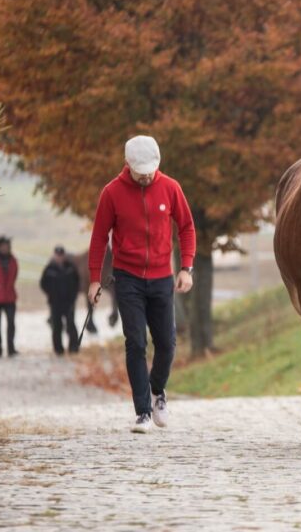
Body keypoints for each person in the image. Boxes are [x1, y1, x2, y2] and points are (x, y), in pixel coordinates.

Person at [88, 135, 196, 434]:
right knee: (135, 343)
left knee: (167, 344)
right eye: (140, 171)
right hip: (128, 278)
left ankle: (157, 390)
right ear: (128, 165)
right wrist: (94, 279)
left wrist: (186, 267)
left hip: (162, 276)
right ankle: (143, 412)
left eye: (151, 169)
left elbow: (186, 227)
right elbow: (98, 237)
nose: (146, 175)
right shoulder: (112, 193)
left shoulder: (171, 188)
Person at [40, 245, 81, 355]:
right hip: (55, 303)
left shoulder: (71, 268)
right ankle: (58, 349)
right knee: (56, 325)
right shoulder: (49, 269)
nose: (59, 257)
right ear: (54, 256)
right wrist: (51, 294)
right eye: (57, 255)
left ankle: (73, 347)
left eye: (61, 255)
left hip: (69, 302)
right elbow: (43, 284)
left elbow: (77, 283)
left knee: (71, 324)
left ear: (64, 256)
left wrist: (73, 297)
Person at [0, 235, 19, 357]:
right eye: (5, 245)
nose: (7, 247)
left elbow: (15, 274)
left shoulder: (13, 260)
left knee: (11, 323)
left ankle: (11, 348)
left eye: (8, 245)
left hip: (10, 296)